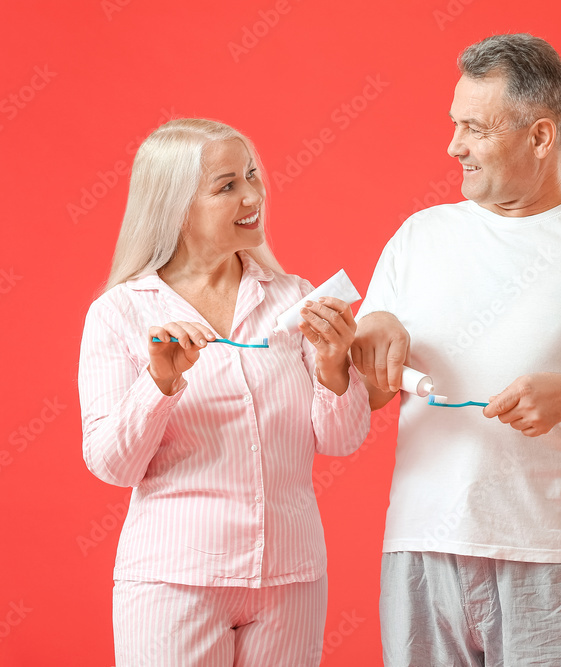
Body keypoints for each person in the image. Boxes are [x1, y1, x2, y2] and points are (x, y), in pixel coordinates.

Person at [351, 34, 561, 666]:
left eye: (475, 129)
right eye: (455, 124)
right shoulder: (417, 239)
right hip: (425, 550)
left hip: (559, 563)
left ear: (540, 136)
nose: (453, 146)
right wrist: (355, 350)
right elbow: (372, 392)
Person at [78, 118, 370, 667]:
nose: (253, 195)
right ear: (176, 208)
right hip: (175, 579)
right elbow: (112, 464)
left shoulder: (294, 298)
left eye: (252, 176)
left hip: (291, 579)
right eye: (227, 185)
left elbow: (341, 438)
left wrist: (334, 362)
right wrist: (159, 383)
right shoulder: (119, 313)